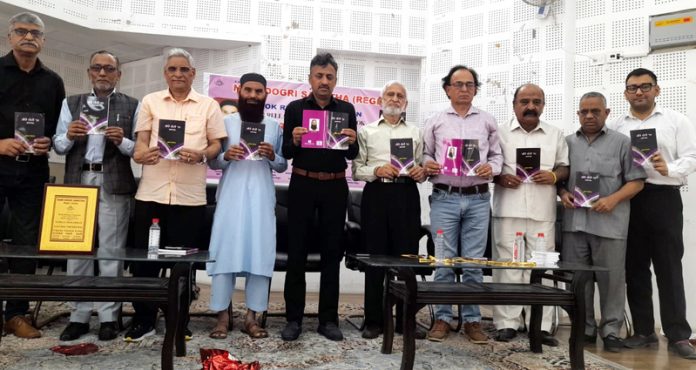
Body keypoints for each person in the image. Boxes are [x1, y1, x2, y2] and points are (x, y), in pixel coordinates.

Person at [126, 48, 226, 342]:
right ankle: (143, 320)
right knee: (145, 263)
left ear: (193, 74)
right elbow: (140, 145)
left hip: (189, 198)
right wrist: (144, 155)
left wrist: (200, 155)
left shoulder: (208, 106)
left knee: (183, 267)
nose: (178, 74)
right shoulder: (150, 102)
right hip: (151, 194)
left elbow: (215, 146)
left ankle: (179, 321)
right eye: (173, 69)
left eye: (184, 69)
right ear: (165, 73)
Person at [609, 68, 696, 359]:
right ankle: (644, 331)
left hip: (664, 197)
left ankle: (678, 335)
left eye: (645, 86)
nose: (639, 92)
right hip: (630, 199)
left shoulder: (675, 120)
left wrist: (668, 169)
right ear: (625, 94)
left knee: (669, 267)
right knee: (634, 267)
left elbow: (692, 156)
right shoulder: (618, 124)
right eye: (632, 88)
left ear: (656, 90)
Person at [53, 50, 139, 341]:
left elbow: (139, 149)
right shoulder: (72, 103)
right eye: (97, 68)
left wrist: (122, 140)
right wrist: (69, 136)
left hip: (113, 181)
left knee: (111, 251)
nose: (103, 73)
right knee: (76, 249)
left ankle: (108, 316)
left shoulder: (132, 104)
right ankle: (78, 315)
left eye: (109, 68)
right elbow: (58, 146)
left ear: (118, 74)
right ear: (89, 72)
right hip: (78, 180)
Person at [559, 91, 646, 353]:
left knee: (613, 281)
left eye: (595, 111)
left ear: (606, 113)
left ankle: (610, 331)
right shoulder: (566, 143)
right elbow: (560, 180)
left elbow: (637, 181)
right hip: (575, 223)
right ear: (578, 114)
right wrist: (563, 194)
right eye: (584, 111)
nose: (589, 116)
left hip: (610, 225)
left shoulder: (622, 142)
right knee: (576, 280)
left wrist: (613, 199)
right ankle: (583, 328)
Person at [422, 65, 502, 343]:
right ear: (447, 89)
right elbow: (425, 155)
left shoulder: (487, 121)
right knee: (444, 260)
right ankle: (443, 318)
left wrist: (490, 169)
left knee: (473, 263)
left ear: (476, 89)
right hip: (444, 198)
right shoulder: (435, 121)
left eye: (469, 84)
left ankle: (472, 320)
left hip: (478, 199)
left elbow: (497, 156)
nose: (464, 89)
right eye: (458, 84)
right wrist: (427, 164)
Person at [280, 53, 358, 342]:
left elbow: (352, 155)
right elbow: (286, 152)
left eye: (329, 77)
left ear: (335, 80)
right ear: (310, 77)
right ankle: (293, 319)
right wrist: (295, 140)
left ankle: (328, 320)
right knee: (296, 253)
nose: (324, 81)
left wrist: (352, 141)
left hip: (335, 188)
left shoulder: (346, 109)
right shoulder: (295, 108)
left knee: (331, 255)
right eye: (319, 76)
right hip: (301, 184)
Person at [206, 73, 287, 340]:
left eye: (259, 91)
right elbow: (214, 163)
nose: (253, 96)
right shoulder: (225, 122)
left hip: (261, 199)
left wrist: (273, 155)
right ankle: (222, 317)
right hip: (231, 198)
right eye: (249, 90)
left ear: (266, 94)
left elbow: (282, 165)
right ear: (239, 91)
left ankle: (252, 318)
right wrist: (226, 156)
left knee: (259, 256)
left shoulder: (274, 126)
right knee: (224, 254)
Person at [0, 12, 65, 339]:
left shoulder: (52, 81)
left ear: (43, 40)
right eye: (22, 31)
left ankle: (16, 314)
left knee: (26, 244)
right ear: (10, 36)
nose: (29, 37)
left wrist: (48, 141)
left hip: (32, 171)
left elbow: (57, 128)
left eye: (35, 33)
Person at [491, 84, 569, 347]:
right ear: (514, 105)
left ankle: (542, 325)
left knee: (541, 267)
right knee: (508, 266)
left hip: (541, 211)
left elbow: (565, 166)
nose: (530, 106)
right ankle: (507, 323)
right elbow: (488, 165)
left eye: (536, 101)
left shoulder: (555, 134)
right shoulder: (499, 133)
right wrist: (499, 177)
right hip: (508, 209)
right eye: (524, 101)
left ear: (543, 106)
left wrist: (555, 176)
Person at [352, 80, 426, 340]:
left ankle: (407, 320)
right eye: (390, 94)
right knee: (376, 260)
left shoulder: (417, 132)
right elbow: (356, 169)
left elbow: (424, 167)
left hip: (406, 195)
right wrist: (375, 169)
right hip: (377, 195)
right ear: (380, 100)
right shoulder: (367, 131)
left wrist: (422, 171)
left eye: (400, 96)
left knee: (407, 260)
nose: (395, 99)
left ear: (405, 103)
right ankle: (373, 320)